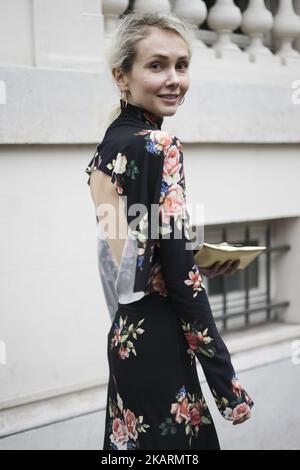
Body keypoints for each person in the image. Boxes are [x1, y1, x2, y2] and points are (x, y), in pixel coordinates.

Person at [85, 11, 253, 451]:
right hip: (159, 342)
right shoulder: (158, 147)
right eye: (157, 65)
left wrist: (198, 262)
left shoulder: (109, 145)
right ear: (121, 76)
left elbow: (124, 261)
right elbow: (179, 281)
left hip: (126, 338)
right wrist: (225, 382)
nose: (174, 78)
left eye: (182, 65)